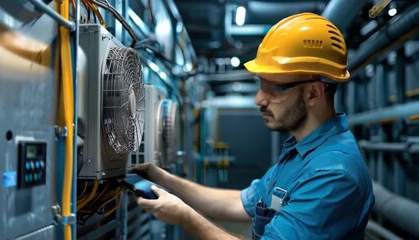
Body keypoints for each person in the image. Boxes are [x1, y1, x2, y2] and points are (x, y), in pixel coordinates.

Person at [133, 12, 375, 239]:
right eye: (260, 84)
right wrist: (162, 177)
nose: (259, 99)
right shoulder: (300, 154)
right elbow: (239, 202)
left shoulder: (333, 173)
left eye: (274, 87)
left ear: (313, 93)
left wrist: (185, 217)